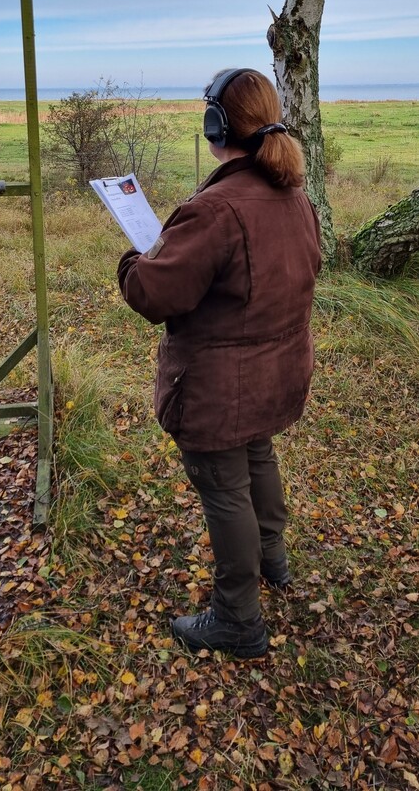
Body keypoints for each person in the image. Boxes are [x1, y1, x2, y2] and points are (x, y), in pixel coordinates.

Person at [118, 68, 321, 659]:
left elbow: (154, 294)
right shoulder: (295, 197)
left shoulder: (214, 209)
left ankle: (237, 618)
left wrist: (132, 261)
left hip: (219, 389)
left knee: (225, 489)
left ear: (217, 126)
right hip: (276, 375)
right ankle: (273, 561)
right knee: (258, 456)